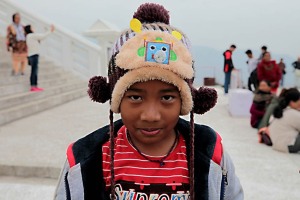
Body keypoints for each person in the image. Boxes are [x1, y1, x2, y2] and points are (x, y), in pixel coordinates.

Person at [54, 3, 243, 200]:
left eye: (167, 97)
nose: (150, 115)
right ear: (115, 98)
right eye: (135, 97)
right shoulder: (85, 159)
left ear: (186, 100)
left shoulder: (210, 152)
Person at [24, 24, 55, 92]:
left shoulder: (28, 36)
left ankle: (34, 86)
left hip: (31, 55)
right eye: (32, 27)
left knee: (33, 71)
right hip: (34, 55)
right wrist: (50, 31)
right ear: (30, 29)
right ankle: (34, 86)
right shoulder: (32, 35)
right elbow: (43, 36)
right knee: (34, 71)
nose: (33, 28)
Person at [269, 88, 300, 153]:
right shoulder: (293, 113)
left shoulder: (280, 111)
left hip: (277, 144)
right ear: (292, 102)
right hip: (290, 145)